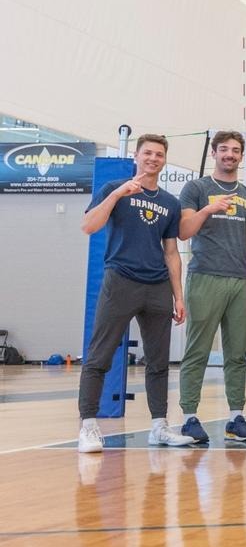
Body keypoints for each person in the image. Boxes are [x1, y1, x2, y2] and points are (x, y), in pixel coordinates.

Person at [76, 133, 193, 453]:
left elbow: (172, 253)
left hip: (157, 287)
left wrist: (178, 296)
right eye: (148, 153)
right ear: (137, 157)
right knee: (99, 356)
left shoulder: (170, 202)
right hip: (121, 281)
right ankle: (87, 426)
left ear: (164, 160)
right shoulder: (114, 189)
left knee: (158, 362)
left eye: (159, 154)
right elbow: (89, 226)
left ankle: (159, 426)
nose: (153, 158)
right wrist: (117, 195)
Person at [176, 130, 246, 444]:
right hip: (206, 277)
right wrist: (207, 210)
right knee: (197, 350)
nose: (230, 154)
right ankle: (189, 417)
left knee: (238, 353)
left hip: (241, 281)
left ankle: (235, 418)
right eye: (224, 149)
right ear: (213, 153)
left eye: (236, 150)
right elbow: (184, 232)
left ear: (242, 156)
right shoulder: (196, 188)